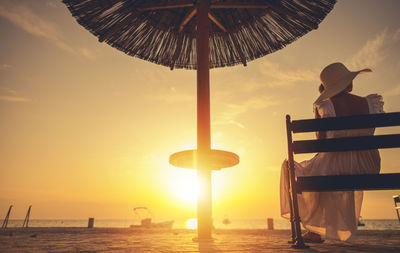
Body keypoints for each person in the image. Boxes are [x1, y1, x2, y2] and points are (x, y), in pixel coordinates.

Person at [280, 62, 384, 243]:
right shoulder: (370, 102)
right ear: (346, 84)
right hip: (368, 166)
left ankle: (314, 231)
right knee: (324, 168)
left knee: (301, 169)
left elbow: (321, 143)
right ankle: (318, 231)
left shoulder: (324, 106)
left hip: (335, 165)